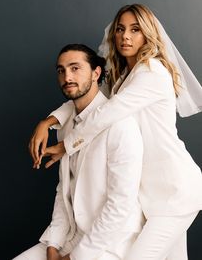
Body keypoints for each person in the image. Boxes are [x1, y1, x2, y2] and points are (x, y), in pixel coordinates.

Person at [29, 4, 202, 260]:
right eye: (120, 29)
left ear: (148, 34)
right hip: (151, 196)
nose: (125, 36)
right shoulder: (123, 78)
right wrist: (48, 121)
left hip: (175, 191)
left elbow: (104, 114)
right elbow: (92, 98)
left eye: (135, 29)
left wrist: (66, 145)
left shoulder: (152, 72)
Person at [13, 44, 145, 260]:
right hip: (72, 235)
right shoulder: (66, 125)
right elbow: (64, 189)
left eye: (75, 68)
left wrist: (75, 257)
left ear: (96, 73)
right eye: (61, 70)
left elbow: (121, 205)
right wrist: (53, 244)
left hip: (110, 243)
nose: (67, 77)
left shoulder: (121, 126)